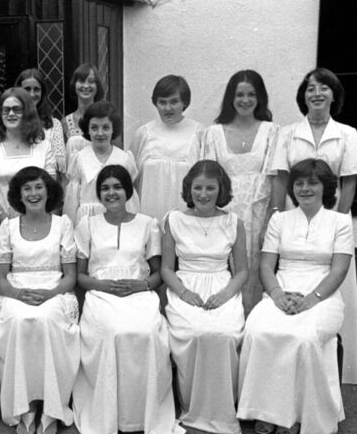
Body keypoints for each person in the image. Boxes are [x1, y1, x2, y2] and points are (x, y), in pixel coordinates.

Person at [238, 159, 353, 434]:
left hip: (322, 294)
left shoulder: (340, 222)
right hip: (282, 288)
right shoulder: (280, 219)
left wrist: (312, 299)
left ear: (326, 187)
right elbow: (266, 266)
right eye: (299, 183)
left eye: (312, 182)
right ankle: (263, 410)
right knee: (257, 330)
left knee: (302, 336)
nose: (305, 188)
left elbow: (339, 269)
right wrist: (277, 295)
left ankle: (300, 415)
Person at [267, 67, 357, 385]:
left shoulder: (347, 133)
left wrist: (336, 220)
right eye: (310, 88)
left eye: (324, 87)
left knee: (333, 288)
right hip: (293, 219)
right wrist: (275, 215)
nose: (317, 93)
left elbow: (348, 181)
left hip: (332, 219)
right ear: (303, 96)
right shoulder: (287, 132)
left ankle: (338, 367)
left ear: (334, 95)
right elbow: (281, 177)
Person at [73, 165, 184, 434]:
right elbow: (81, 276)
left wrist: (142, 286)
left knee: (147, 332)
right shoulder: (88, 224)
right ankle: (111, 416)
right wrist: (103, 286)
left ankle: (142, 416)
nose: (112, 193)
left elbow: (158, 273)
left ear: (128, 191)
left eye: (117, 187)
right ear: (99, 194)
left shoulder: (148, 224)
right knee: (113, 332)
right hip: (101, 294)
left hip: (139, 292)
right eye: (106, 188)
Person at [0, 167, 79, 434]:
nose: (33, 193)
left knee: (48, 320)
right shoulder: (8, 227)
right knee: (19, 321)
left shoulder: (63, 224)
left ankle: (51, 409)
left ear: (48, 191)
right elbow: (0, 280)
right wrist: (18, 294)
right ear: (18, 195)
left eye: (38, 187)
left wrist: (50, 293)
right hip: (17, 290)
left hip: (54, 289)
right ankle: (24, 408)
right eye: (27, 189)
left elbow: (71, 276)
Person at [161, 160, 247, 434]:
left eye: (211, 188)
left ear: (221, 189)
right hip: (185, 285)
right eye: (197, 187)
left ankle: (224, 407)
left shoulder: (234, 222)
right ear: (188, 189)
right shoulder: (173, 219)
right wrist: (184, 292)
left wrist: (224, 295)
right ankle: (192, 406)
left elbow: (243, 271)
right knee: (195, 332)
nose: (204, 194)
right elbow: (166, 268)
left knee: (223, 333)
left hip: (222, 285)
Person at [202, 70, 279, 312]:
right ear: (230, 98)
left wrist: (273, 216)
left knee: (258, 269)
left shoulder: (272, 131)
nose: (245, 100)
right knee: (226, 268)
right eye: (239, 94)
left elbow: (277, 177)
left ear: (260, 98)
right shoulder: (213, 133)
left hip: (260, 211)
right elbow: (208, 175)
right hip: (224, 213)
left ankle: (254, 331)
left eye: (251, 94)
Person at [0, 87, 57, 224]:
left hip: (39, 224)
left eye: (17, 109)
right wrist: (6, 223)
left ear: (27, 112)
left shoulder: (44, 147)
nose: (11, 113)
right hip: (2, 225)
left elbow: (52, 190)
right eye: (6, 109)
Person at [132, 74, 203, 221]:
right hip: (148, 216)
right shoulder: (144, 133)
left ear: (184, 102)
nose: (168, 108)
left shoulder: (199, 133)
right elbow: (131, 179)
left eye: (174, 102)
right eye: (162, 102)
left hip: (187, 217)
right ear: (155, 103)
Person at [63, 101, 139, 225]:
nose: (100, 133)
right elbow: (71, 202)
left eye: (105, 127)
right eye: (94, 127)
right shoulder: (79, 159)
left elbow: (131, 202)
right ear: (87, 129)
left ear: (113, 128)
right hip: (86, 223)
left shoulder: (124, 159)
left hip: (116, 223)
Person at [16, 68, 67, 177]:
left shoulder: (54, 125)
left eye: (36, 89)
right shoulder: (11, 122)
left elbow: (60, 170)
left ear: (42, 92)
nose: (32, 94)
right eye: (27, 89)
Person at [61, 63, 105, 140]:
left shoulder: (107, 119)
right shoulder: (65, 123)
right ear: (74, 85)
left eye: (91, 81)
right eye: (81, 81)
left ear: (97, 86)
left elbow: (116, 150)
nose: (86, 86)